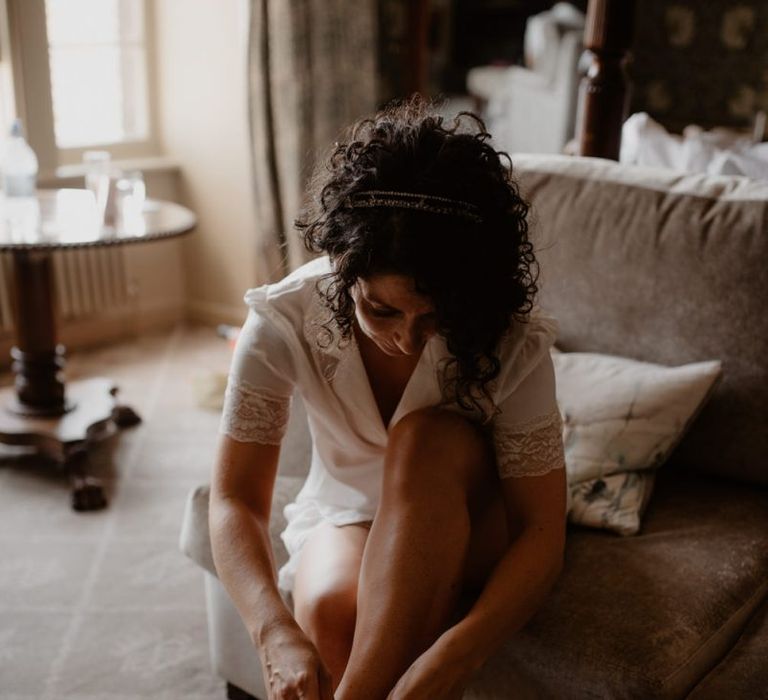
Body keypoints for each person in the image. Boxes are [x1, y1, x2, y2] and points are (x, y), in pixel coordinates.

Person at [209, 96, 567, 700]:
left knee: (425, 435)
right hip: (347, 512)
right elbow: (235, 497)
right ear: (345, 268)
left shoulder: (511, 340)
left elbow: (540, 530)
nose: (406, 337)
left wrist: (457, 655)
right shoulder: (281, 321)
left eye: (434, 317)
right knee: (325, 606)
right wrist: (272, 629)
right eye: (382, 309)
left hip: (476, 517)